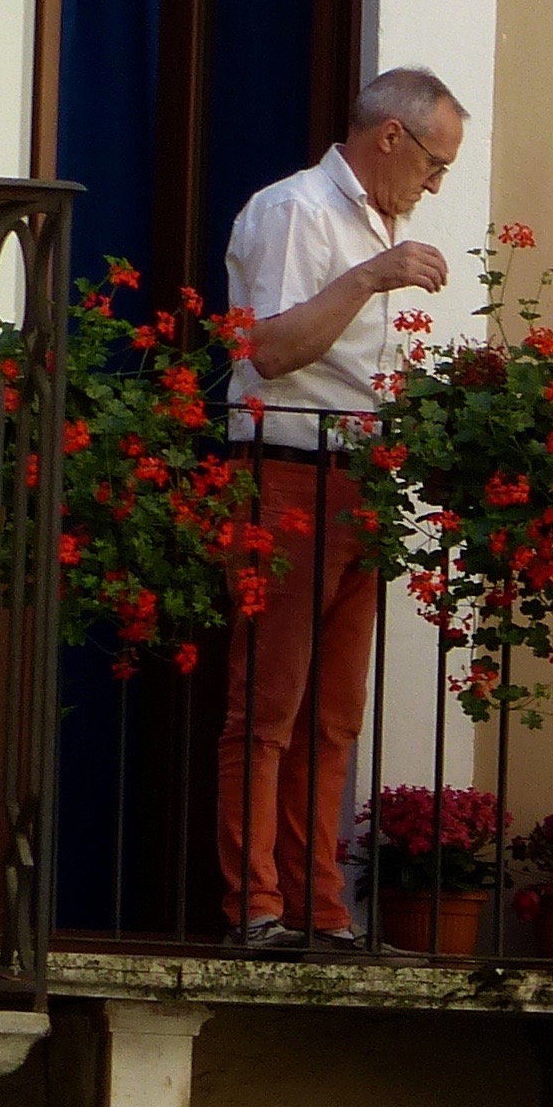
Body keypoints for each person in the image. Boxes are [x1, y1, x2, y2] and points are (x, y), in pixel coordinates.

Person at [217, 67, 466, 953]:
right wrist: (369, 276)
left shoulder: (378, 223)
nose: (435, 186)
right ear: (390, 137)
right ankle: (257, 906)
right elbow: (273, 349)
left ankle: (320, 911)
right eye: (434, 164)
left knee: (332, 716)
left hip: (361, 476)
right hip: (285, 470)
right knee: (269, 706)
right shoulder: (296, 211)